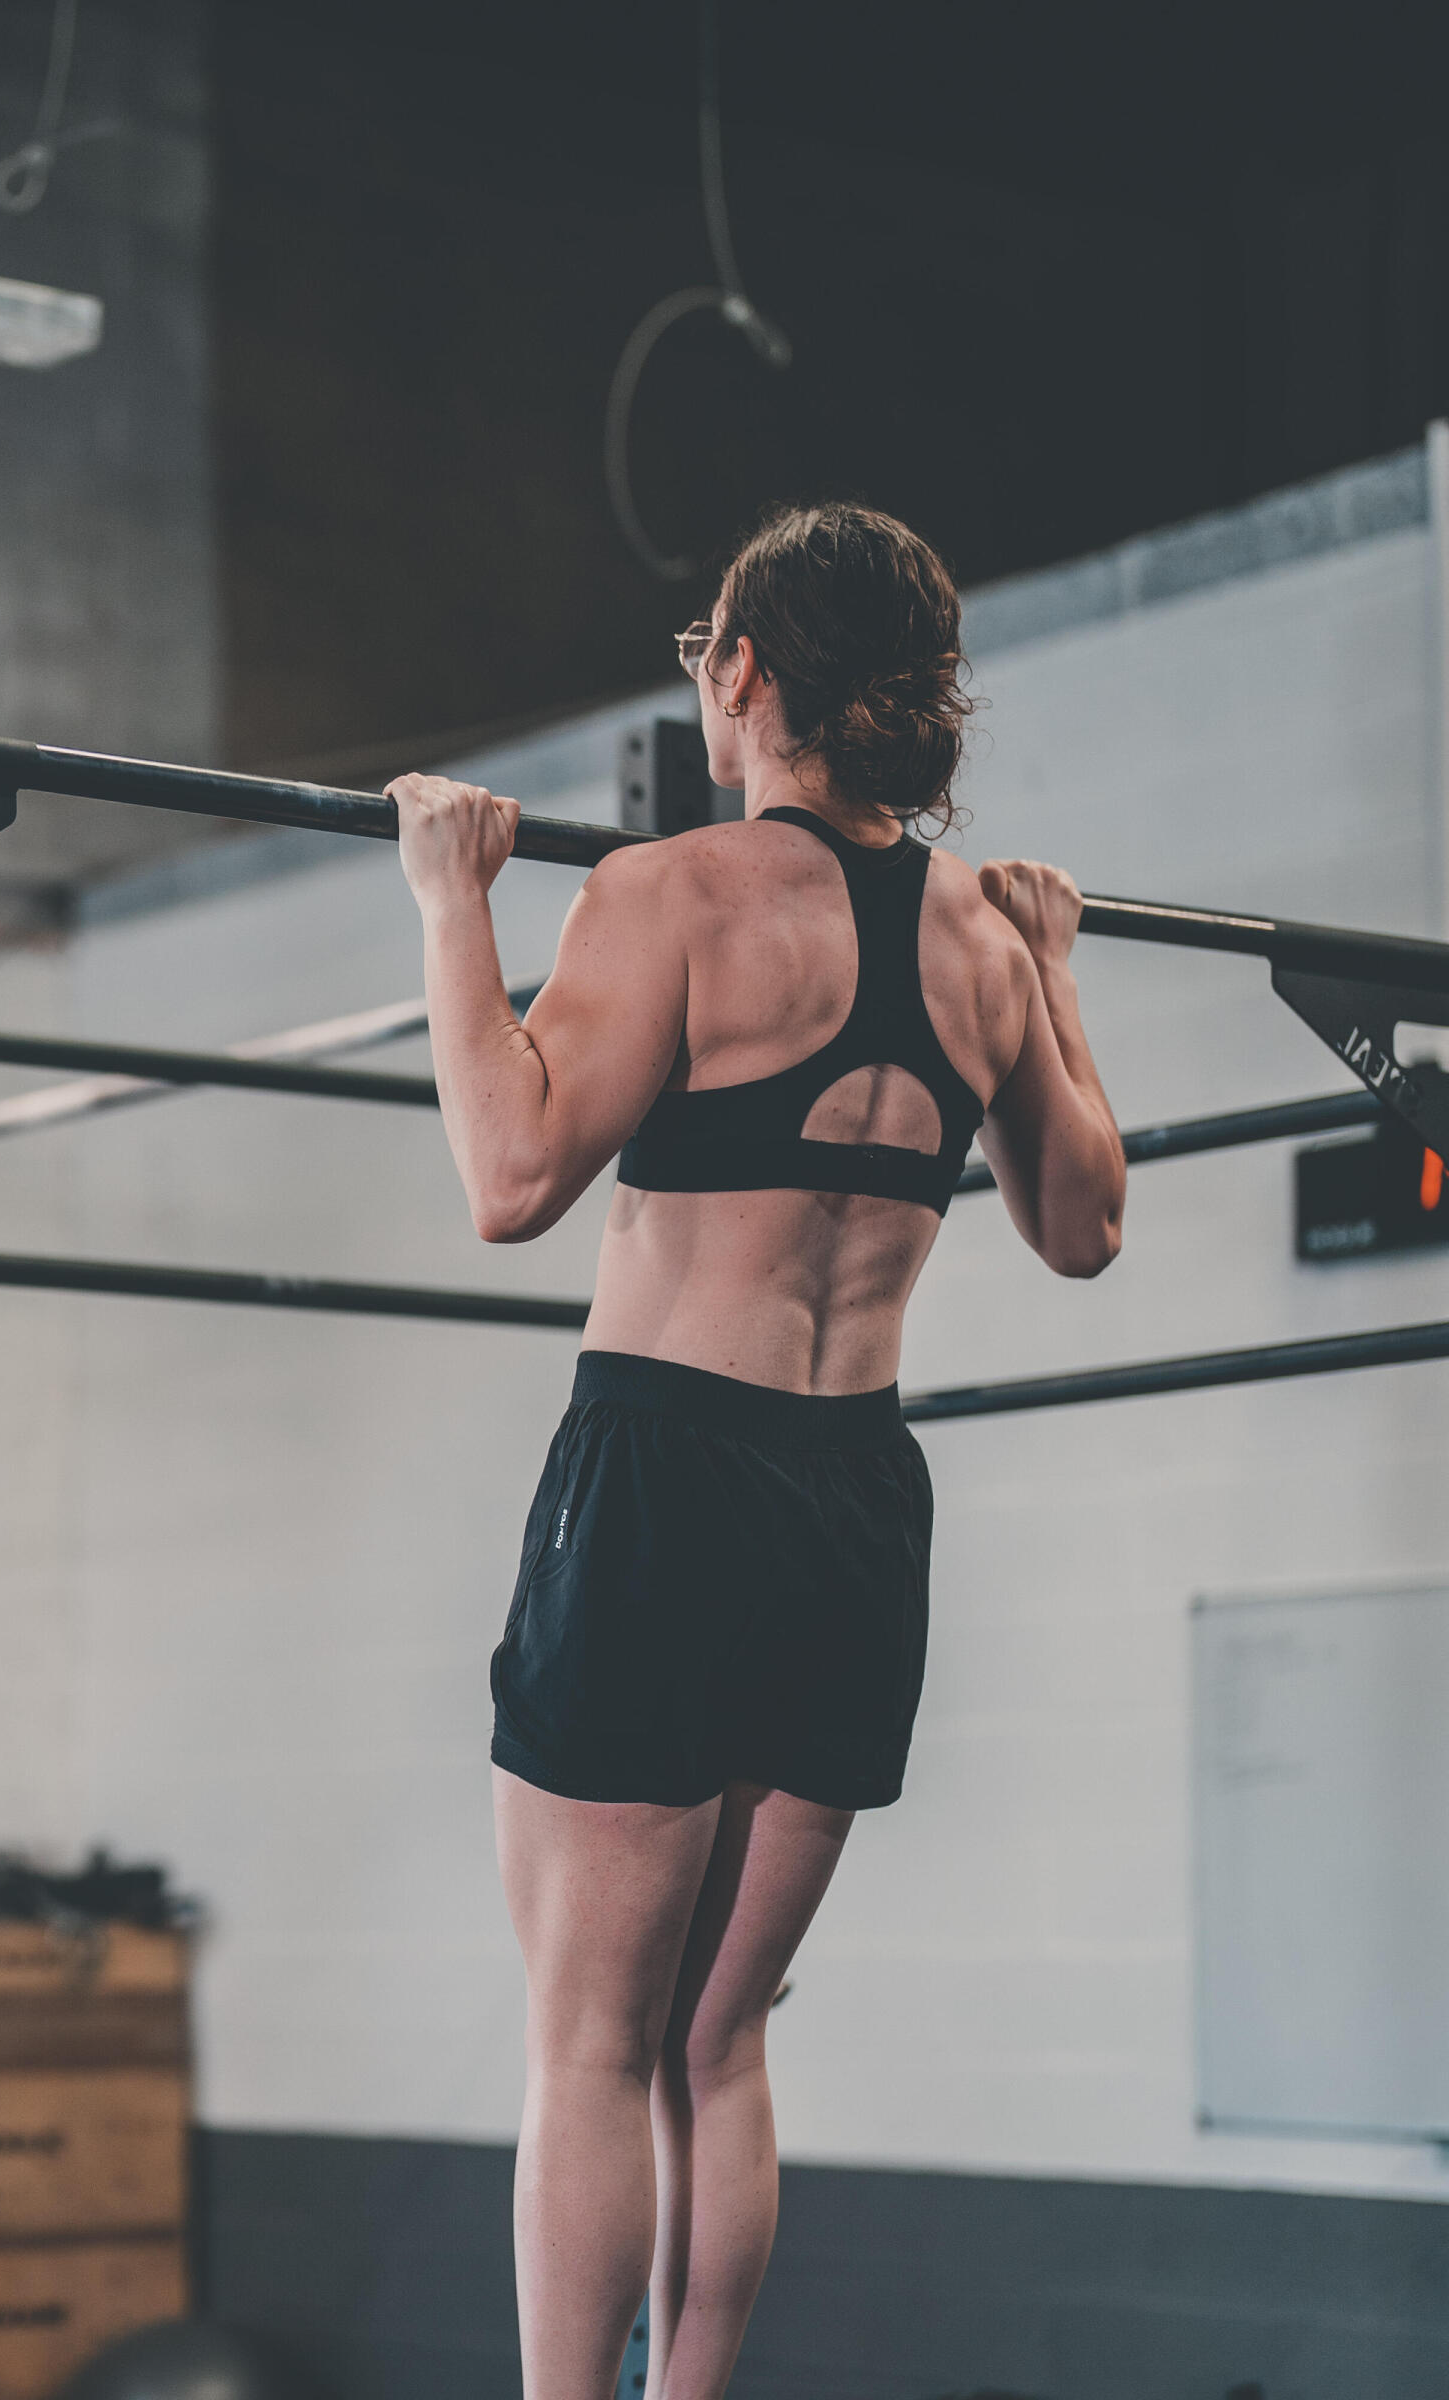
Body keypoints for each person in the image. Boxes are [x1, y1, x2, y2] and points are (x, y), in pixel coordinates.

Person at [389, 501, 1126, 2400]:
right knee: (714, 2046)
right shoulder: (982, 936)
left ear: (742, 675)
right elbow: (1083, 1225)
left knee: (586, 2041)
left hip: (669, 1484)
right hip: (856, 1508)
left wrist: (449, 903)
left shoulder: (672, 893)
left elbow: (509, 1176)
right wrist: (1058, 972)